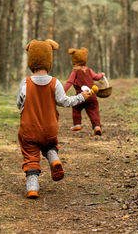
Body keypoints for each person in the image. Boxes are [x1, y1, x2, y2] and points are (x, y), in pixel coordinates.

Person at [17, 39, 91, 199]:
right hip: (49, 127)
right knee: (50, 145)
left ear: (31, 61)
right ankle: (54, 160)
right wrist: (81, 97)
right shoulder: (55, 82)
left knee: (30, 156)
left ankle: (33, 187)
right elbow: (64, 101)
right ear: (49, 60)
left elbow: (19, 104)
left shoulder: (25, 82)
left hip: (29, 128)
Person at [64, 47, 105, 135]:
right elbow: (97, 77)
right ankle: (97, 126)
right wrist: (102, 74)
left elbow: (69, 82)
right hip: (92, 95)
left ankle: (77, 124)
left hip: (81, 96)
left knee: (76, 108)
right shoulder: (89, 70)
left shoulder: (75, 71)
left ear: (74, 60)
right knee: (93, 111)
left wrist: (63, 91)